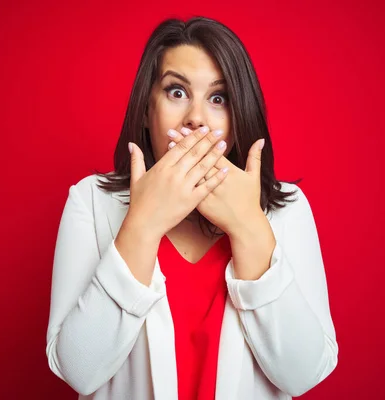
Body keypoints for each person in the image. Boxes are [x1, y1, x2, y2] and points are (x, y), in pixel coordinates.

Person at [46, 16, 338, 400]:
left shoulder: (287, 210)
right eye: (176, 92)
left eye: (218, 98)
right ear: (147, 111)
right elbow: (77, 371)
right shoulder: (92, 202)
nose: (196, 118)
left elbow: (303, 374)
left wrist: (250, 227)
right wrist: (143, 224)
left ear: (236, 119)